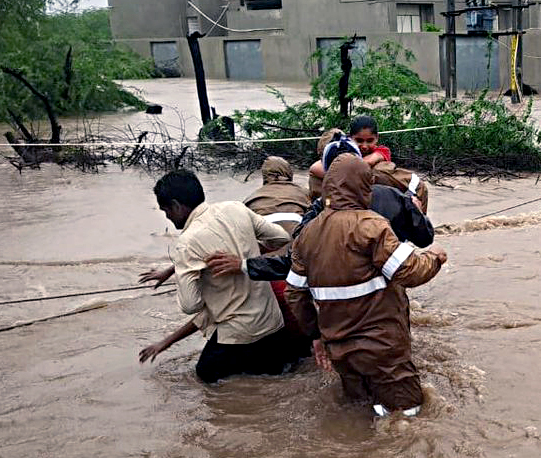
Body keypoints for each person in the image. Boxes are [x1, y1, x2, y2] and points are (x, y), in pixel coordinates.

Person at [285, 154, 448, 417]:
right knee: (409, 416)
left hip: (339, 351)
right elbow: (410, 272)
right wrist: (435, 257)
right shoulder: (372, 226)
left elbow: (294, 294)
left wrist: (316, 336)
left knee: (360, 414)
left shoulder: (308, 233)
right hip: (383, 348)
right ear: (365, 185)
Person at [138, 170, 305, 383]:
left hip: (241, 336)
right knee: (273, 379)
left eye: (166, 211)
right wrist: (249, 255)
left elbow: (191, 305)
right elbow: (281, 238)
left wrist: (184, 275)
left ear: (176, 206)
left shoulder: (186, 243)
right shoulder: (234, 208)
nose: (168, 218)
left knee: (204, 378)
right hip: (273, 325)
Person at [308, 118, 430, 213]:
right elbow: (315, 169)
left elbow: (416, 185)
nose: (365, 146)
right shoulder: (320, 178)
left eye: (369, 141)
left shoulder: (379, 161)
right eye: (359, 141)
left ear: (376, 138)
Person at [244, 156, 311, 239]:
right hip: (297, 241)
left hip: (265, 243)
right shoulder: (304, 192)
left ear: (265, 175)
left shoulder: (252, 197)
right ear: (288, 172)